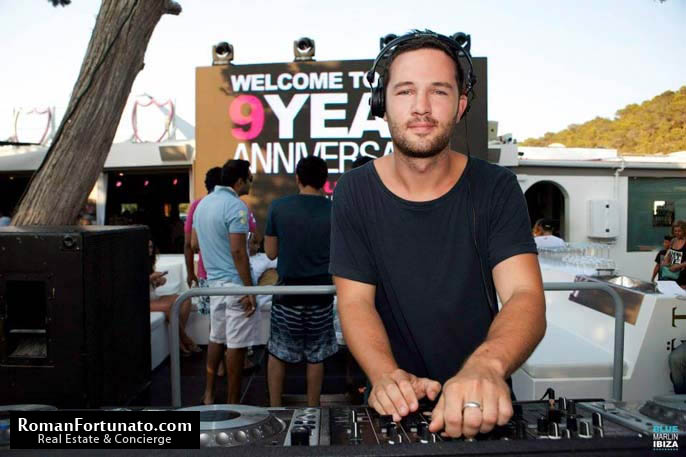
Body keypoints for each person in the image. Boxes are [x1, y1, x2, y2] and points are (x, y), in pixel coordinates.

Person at [329, 31, 545, 439]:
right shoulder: (354, 191)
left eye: (439, 91)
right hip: (392, 409)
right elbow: (355, 302)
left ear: (461, 106)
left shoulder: (497, 187)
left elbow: (525, 295)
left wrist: (486, 366)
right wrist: (385, 375)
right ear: (381, 103)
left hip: (483, 405)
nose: (422, 107)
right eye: (405, 91)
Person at [264, 156, 338, 407]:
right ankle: (313, 409)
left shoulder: (278, 207)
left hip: (288, 294)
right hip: (322, 293)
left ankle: (275, 408)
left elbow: (270, 253)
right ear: (324, 180)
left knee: (277, 353)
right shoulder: (335, 210)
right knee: (316, 357)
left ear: (297, 178)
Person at [192, 159, 258, 405]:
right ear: (239, 181)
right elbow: (238, 252)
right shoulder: (235, 206)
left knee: (216, 338)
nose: (251, 182)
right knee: (236, 346)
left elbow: (194, 244)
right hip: (235, 286)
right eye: (249, 178)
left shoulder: (202, 204)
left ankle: (209, 394)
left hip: (214, 284)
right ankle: (233, 403)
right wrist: (250, 289)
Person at [148, 239, 199, 355]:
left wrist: (158, 281)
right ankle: (184, 338)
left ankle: (178, 339)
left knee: (185, 299)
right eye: (147, 247)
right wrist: (151, 278)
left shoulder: (148, 262)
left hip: (153, 297)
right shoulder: (132, 262)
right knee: (169, 307)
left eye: (151, 247)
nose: (150, 250)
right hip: (140, 301)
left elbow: (151, 286)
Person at [184, 166, 222, 316]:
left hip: (206, 273)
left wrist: (190, 273)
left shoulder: (197, 205)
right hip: (232, 276)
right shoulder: (234, 204)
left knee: (212, 322)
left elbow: (189, 244)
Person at [664, 220, 686, 287]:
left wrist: (678, 266)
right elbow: (669, 253)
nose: (677, 233)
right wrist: (667, 261)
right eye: (675, 231)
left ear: (684, 230)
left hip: (683, 276)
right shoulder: (673, 240)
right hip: (672, 274)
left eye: (679, 231)